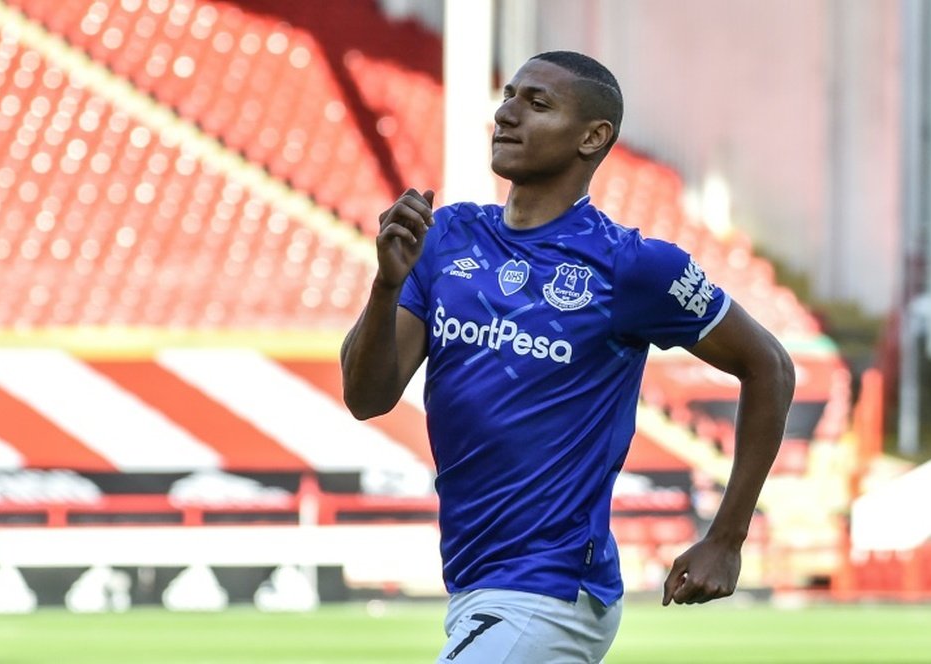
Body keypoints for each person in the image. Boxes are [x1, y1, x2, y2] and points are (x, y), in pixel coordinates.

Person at [341, 50, 795, 663]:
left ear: (593, 137)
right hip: (478, 583)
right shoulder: (445, 237)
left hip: (550, 591)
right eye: (508, 96)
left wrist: (728, 537)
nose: (506, 113)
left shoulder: (631, 267)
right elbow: (367, 397)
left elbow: (769, 364)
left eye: (537, 103)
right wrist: (387, 284)